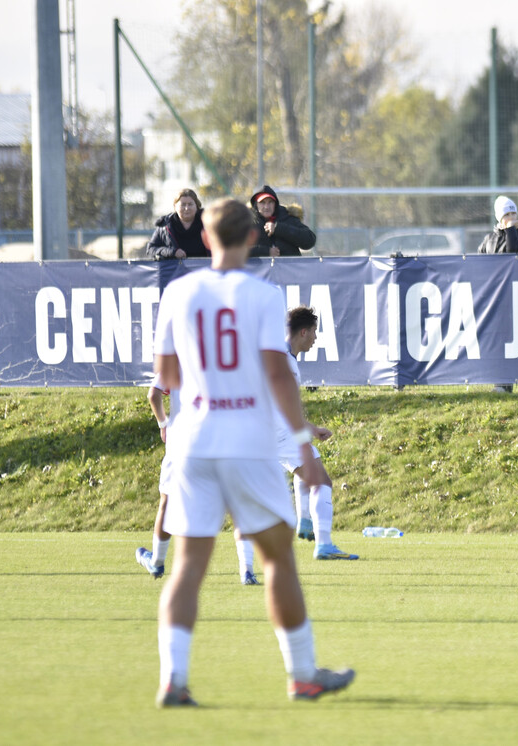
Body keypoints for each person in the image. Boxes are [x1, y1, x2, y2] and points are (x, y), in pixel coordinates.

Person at [152, 197, 353, 707]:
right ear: (250, 239)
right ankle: (302, 674)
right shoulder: (264, 296)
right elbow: (279, 375)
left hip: (193, 442)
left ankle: (173, 680)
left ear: (205, 238)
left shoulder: (178, 292)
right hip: (246, 441)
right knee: (279, 561)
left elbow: (168, 377)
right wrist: (304, 447)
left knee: (187, 567)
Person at [135, 381, 263, 585]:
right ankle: (246, 570)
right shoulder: (225, 358)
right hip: (221, 441)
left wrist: (163, 424)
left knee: (168, 504)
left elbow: (153, 394)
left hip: (182, 446)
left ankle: (157, 562)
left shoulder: (176, 358)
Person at [276, 305, 357, 560]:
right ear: (303, 332)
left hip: (273, 431)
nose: (315, 338)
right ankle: (323, 544)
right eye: (314, 332)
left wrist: (310, 429)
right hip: (279, 432)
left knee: (308, 463)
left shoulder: (279, 356)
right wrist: (309, 428)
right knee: (322, 481)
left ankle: (305, 522)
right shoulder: (283, 361)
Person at [479, 197, 518, 394]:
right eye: (507, 215)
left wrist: (511, 228)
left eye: (514, 214)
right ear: (499, 217)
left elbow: (514, 249)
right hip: (499, 298)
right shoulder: (489, 239)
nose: (512, 218)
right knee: (501, 340)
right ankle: (503, 383)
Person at [249, 185, 316, 258]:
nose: (266, 207)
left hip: (290, 268)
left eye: (270, 202)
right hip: (258, 269)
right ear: (256, 204)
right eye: (262, 202)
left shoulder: (287, 217)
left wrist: (279, 228)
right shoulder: (247, 222)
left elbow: (310, 240)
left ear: (276, 204)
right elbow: (236, 250)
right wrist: (266, 252)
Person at [146, 188, 209, 260]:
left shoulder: (209, 225)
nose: (186, 208)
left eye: (190, 204)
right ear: (175, 207)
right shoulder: (165, 226)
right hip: (174, 270)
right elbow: (151, 249)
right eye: (183, 205)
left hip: (205, 269)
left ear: (197, 206)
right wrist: (172, 252)